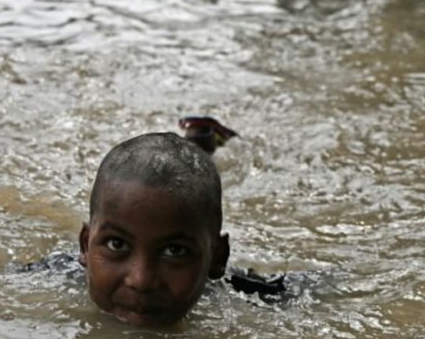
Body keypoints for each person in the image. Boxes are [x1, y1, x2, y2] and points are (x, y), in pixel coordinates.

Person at [20, 117, 288, 328]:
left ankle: (201, 143)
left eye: (175, 251)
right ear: (85, 246)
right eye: (116, 244)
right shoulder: (46, 281)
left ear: (217, 258)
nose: (142, 280)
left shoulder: (240, 291)